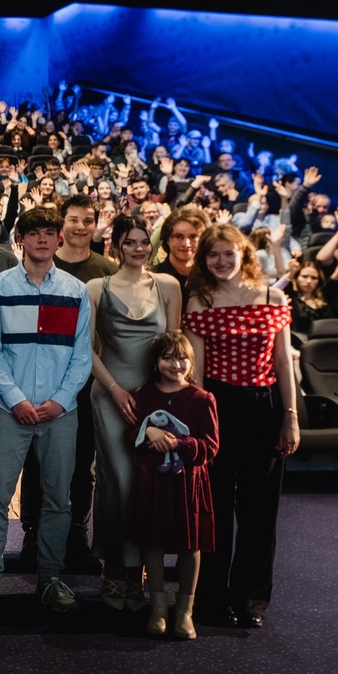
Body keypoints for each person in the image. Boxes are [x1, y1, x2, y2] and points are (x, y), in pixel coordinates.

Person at [0, 206, 93, 612]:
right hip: (8, 410)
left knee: (59, 500)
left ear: (59, 238)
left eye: (48, 232)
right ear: (20, 240)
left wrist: (59, 401)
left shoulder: (76, 291)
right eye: (34, 232)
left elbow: (82, 356)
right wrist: (16, 400)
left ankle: (50, 579)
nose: (42, 239)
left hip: (60, 412)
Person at [182, 224, 300, 629]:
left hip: (266, 406)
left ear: (244, 254)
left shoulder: (272, 297)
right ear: (204, 260)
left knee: (260, 509)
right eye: (213, 255)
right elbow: (196, 373)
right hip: (218, 405)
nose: (221, 261)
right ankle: (212, 600)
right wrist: (200, 423)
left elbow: (283, 362)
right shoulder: (200, 302)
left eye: (228, 253)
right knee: (214, 506)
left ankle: (251, 600)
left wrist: (290, 416)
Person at [85, 215, 182, 611]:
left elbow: (174, 348)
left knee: (148, 485)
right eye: (130, 242)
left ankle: (140, 571)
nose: (138, 248)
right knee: (117, 483)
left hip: (154, 401)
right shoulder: (96, 288)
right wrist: (114, 389)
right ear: (117, 246)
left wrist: (168, 399)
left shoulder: (169, 286)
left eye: (144, 242)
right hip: (111, 397)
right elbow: (85, 349)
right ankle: (113, 568)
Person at [127, 331, 219, 639]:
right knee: (152, 543)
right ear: (155, 362)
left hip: (188, 485)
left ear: (191, 362)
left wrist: (179, 443)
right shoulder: (143, 395)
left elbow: (210, 446)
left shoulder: (203, 399)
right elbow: (129, 435)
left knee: (190, 546)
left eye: (182, 358)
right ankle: (158, 609)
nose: (175, 365)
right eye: (168, 358)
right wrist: (148, 432)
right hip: (153, 481)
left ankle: (184, 612)